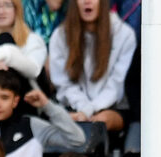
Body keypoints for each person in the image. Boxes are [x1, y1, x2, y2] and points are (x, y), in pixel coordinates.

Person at [48, 0, 137, 132]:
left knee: (102, 121)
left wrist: (89, 111)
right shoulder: (59, 36)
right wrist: (83, 110)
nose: (87, 2)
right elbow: (64, 85)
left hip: (112, 107)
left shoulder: (124, 34)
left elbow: (116, 85)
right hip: (74, 107)